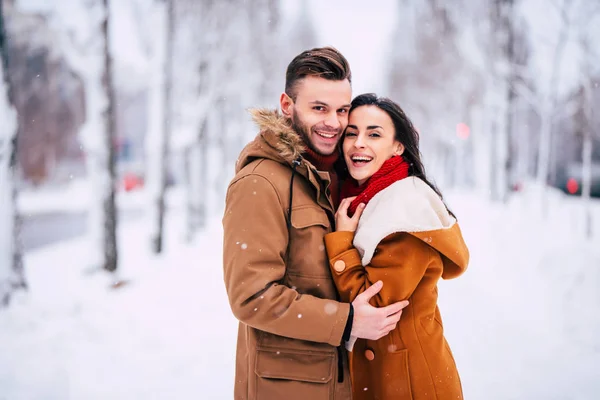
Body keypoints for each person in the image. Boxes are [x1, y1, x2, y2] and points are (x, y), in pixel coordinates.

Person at [222, 48, 409, 400]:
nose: (334, 123)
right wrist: (347, 321)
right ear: (287, 105)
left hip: (338, 379)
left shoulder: (337, 174)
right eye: (319, 108)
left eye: (341, 110)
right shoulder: (260, 183)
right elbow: (251, 296)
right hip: (285, 387)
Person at [324, 93, 470, 400]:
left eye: (374, 134)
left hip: (411, 382)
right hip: (386, 377)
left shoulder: (405, 210)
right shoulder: (366, 197)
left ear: (398, 146)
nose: (358, 143)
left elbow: (374, 308)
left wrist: (341, 242)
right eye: (352, 133)